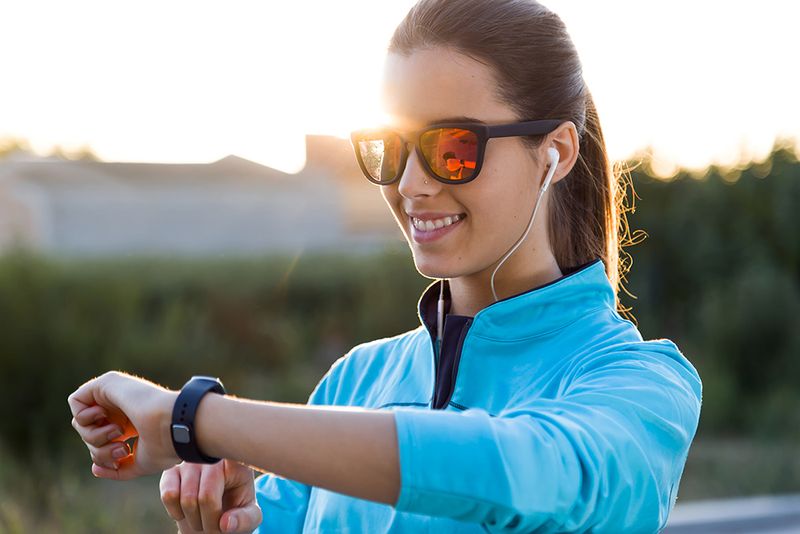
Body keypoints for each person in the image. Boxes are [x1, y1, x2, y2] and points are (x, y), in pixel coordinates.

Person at [66, 0, 703, 532]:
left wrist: (197, 419)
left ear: (555, 152)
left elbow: (522, 468)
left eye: (454, 148)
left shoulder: (642, 386)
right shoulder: (356, 380)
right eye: (389, 148)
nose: (411, 184)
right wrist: (228, 513)